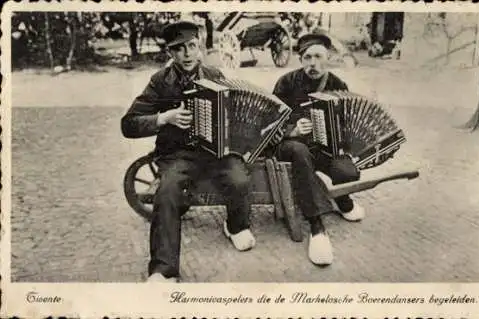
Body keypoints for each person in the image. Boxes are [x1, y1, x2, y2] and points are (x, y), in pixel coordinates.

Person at [121, 21, 256, 283]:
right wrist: (164, 118)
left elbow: (233, 115)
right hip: (178, 154)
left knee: (240, 178)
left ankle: (235, 225)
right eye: (178, 49)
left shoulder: (215, 75)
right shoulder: (160, 82)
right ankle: (164, 270)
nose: (186, 54)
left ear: (200, 47)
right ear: (170, 53)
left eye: (191, 46)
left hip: (216, 152)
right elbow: (128, 124)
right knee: (167, 190)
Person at [271, 29, 365, 266]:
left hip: (324, 147)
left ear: (328, 58)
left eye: (318, 57)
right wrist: (292, 128)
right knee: (301, 154)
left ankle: (341, 199)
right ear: (301, 59)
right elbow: (269, 122)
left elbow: (347, 125)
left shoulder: (337, 84)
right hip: (291, 146)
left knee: (348, 172)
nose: (313, 63)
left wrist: (337, 135)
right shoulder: (286, 83)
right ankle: (316, 226)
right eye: (307, 58)